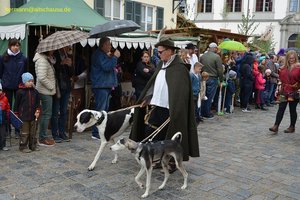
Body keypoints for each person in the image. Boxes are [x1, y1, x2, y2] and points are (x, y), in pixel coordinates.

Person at [130, 38, 200, 171]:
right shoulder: (161, 65)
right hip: (156, 105)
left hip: (171, 109)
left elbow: (181, 94)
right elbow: (156, 85)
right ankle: (156, 159)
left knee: (171, 138)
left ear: (170, 51)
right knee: (152, 133)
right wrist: (149, 98)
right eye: (158, 52)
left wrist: (176, 109)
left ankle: (172, 163)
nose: (159, 54)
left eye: (161, 51)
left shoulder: (180, 69)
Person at [90, 37, 120, 140]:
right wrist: (115, 57)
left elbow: (108, 66)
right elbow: (106, 67)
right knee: (100, 109)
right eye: (109, 44)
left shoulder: (102, 54)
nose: (110, 46)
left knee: (104, 110)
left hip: (105, 85)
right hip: (101, 85)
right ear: (103, 45)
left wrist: (111, 57)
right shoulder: (98, 54)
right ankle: (95, 132)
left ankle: (100, 130)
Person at [0, 38, 27, 139]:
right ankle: (6, 130)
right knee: (7, 108)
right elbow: (1, 73)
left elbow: (25, 72)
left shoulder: (23, 58)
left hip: (19, 87)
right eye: (14, 45)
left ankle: (17, 129)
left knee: (19, 108)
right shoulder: (3, 57)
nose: (16, 47)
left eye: (17, 45)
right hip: (7, 87)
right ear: (10, 46)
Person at [269, 50, 300, 134]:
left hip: (294, 91)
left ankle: (292, 127)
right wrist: (278, 89)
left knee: (292, 110)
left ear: (295, 58)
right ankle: (276, 126)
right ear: (287, 58)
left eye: (293, 58)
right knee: (281, 108)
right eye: (290, 58)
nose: (291, 59)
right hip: (283, 91)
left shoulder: (298, 68)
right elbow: (280, 80)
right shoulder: (283, 68)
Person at [33, 50, 56, 146]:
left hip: (45, 90)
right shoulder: (42, 60)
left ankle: (41, 136)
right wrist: (51, 86)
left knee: (44, 114)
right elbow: (42, 77)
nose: (53, 50)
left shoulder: (45, 59)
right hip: (45, 91)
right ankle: (42, 138)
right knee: (46, 114)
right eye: (51, 49)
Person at [51, 47, 73, 143]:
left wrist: (70, 65)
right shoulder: (54, 55)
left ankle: (62, 132)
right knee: (55, 112)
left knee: (64, 111)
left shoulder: (67, 56)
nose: (68, 47)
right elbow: (53, 70)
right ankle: (55, 134)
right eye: (67, 45)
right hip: (57, 87)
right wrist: (61, 63)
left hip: (66, 87)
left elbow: (71, 74)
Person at [14, 72, 40, 153]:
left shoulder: (35, 92)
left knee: (33, 132)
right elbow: (16, 104)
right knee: (25, 132)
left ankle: (33, 145)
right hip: (23, 116)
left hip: (33, 116)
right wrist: (16, 114)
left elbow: (37, 103)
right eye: (29, 81)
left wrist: (38, 111)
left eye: (32, 81)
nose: (31, 82)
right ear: (24, 82)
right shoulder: (20, 92)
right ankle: (23, 146)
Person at [200, 42, 223, 119]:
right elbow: (220, 69)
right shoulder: (217, 57)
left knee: (203, 95)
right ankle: (207, 113)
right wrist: (221, 79)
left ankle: (201, 112)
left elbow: (200, 67)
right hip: (212, 78)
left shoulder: (203, 56)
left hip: (203, 77)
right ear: (214, 48)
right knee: (209, 97)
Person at [0, 83, 10, 151]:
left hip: (3, 120)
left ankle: (3, 145)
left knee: (3, 134)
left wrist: (8, 115)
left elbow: (8, 108)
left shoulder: (5, 98)